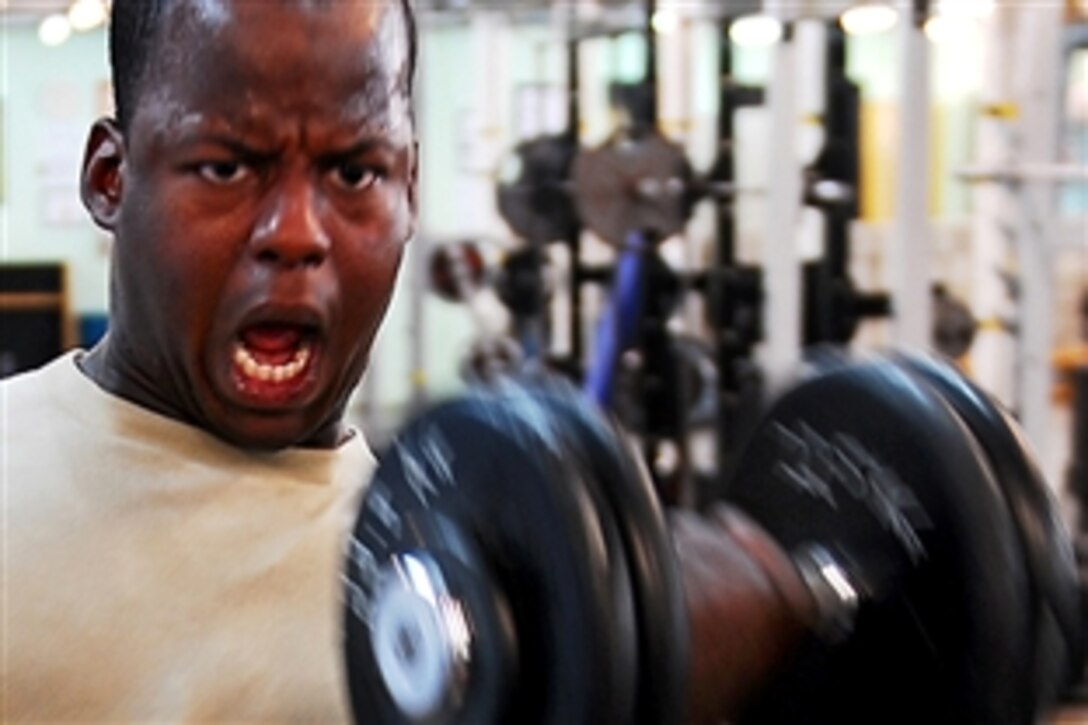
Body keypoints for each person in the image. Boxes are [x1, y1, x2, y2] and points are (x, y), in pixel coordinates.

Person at [1, 0, 814, 721]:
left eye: (354, 171)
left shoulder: (448, 581)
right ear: (111, 176)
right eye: (227, 166)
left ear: (410, 189)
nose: (296, 233)